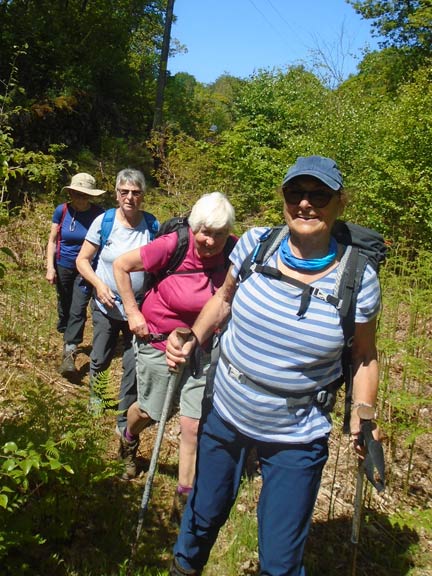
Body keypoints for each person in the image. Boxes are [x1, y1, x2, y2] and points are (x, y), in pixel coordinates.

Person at [165, 156, 382, 576]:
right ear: (283, 199)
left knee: (281, 560)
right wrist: (193, 337)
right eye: (294, 193)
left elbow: (364, 356)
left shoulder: (358, 277)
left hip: (297, 433)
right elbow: (224, 300)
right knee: (202, 515)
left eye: (318, 195)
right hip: (226, 413)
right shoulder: (254, 244)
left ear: (340, 203)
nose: (305, 204)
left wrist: (364, 412)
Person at [112, 191, 236, 511]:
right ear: (194, 228)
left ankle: (185, 497)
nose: (211, 241)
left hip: (203, 348)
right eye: (205, 232)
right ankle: (128, 437)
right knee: (154, 412)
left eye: (219, 234)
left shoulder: (234, 251)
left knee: (192, 424)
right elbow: (122, 266)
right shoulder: (174, 245)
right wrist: (132, 312)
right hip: (157, 340)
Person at [76, 168, 158, 433]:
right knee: (100, 358)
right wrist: (99, 284)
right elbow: (82, 260)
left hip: (138, 309)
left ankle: (123, 416)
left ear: (143, 195)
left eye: (135, 193)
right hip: (106, 305)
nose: (130, 197)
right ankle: (97, 401)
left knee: (132, 367)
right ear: (116, 194)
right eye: (125, 192)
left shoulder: (153, 226)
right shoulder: (105, 221)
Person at [46, 172, 106, 378]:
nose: (79, 198)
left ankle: (69, 351)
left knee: (78, 307)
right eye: (75, 193)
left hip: (86, 268)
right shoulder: (61, 211)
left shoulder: (100, 215)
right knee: (65, 304)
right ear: (70, 193)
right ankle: (66, 330)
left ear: (90, 196)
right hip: (63, 265)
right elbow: (53, 240)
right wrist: (50, 267)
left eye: (83, 194)